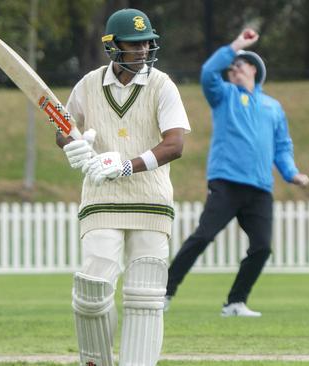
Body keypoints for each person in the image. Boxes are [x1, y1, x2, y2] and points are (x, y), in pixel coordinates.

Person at [56, 8, 190, 366]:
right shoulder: (87, 84)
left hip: (151, 199)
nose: (143, 50)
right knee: (92, 287)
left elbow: (175, 144)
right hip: (101, 197)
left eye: (147, 42)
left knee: (145, 294)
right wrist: (74, 146)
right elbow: (64, 128)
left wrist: (128, 165)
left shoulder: (162, 85)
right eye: (134, 45)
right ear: (113, 47)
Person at [165, 28, 309, 318]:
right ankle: (164, 293)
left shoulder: (273, 107)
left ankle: (235, 303)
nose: (233, 70)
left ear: (253, 69)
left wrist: (291, 173)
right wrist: (234, 47)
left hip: (259, 188)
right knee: (203, 237)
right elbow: (208, 72)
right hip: (226, 183)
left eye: (239, 65)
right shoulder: (224, 95)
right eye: (230, 68)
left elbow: (282, 146)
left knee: (262, 247)